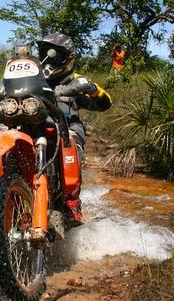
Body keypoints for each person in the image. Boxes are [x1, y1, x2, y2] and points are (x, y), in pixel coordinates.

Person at [37, 32, 112, 225]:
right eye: (44, 52)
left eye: (55, 54)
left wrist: (92, 88)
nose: (49, 58)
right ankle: (9, 193)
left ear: (68, 58)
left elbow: (105, 103)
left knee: (69, 141)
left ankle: (72, 201)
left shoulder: (75, 79)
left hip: (67, 127)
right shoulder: (34, 78)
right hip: (36, 128)